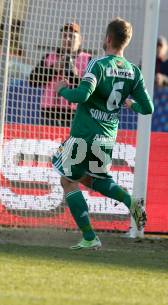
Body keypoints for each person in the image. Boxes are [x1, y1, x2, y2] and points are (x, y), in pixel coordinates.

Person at [52, 17, 154, 250]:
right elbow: (148, 108)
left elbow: (82, 96)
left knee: (67, 179)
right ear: (125, 43)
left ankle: (89, 236)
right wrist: (131, 105)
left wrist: (62, 89)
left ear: (108, 38)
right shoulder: (134, 72)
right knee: (95, 179)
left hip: (83, 135)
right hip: (106, 139)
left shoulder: (97, 65)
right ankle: (131, 203)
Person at [29, 22, 91, 127]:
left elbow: (90, 89)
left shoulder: (88, 59)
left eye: (71, 36)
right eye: (64, 36)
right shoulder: (49, 57)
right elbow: (32, 81)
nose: (67, 40)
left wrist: (74, 76)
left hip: (74, 112)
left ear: (80, 40)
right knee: (48, 142)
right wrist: (53, 69)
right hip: (49, 111)